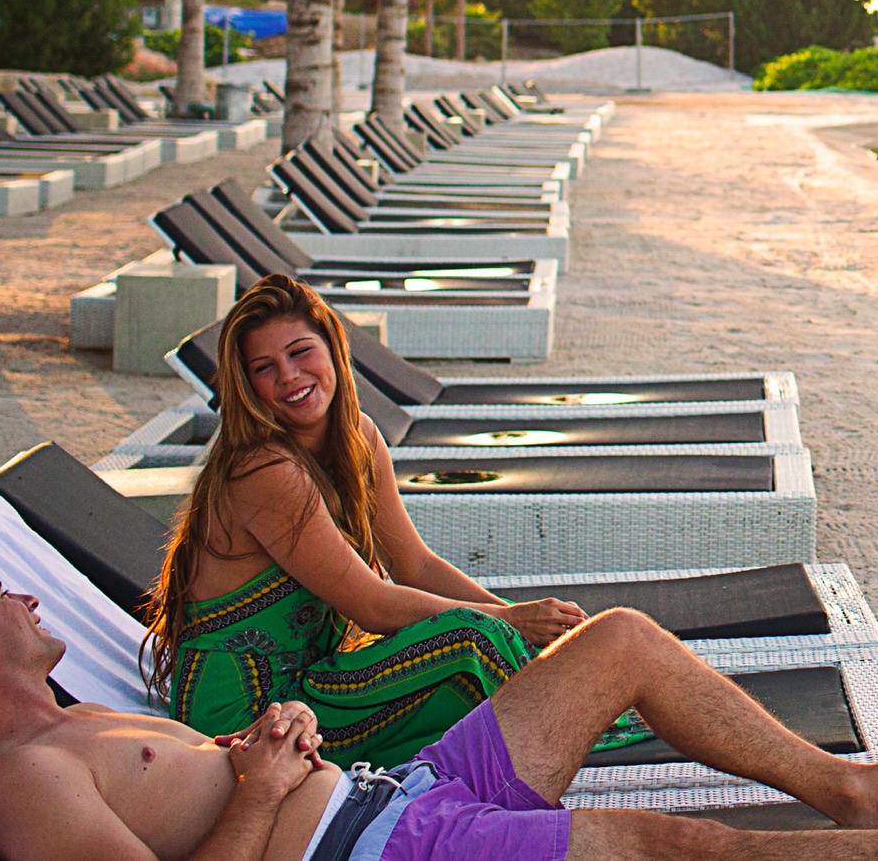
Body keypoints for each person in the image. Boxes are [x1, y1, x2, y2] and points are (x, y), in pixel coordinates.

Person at [0, 552, 878, 860]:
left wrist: (262, 743)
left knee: (619, 643)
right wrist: (269, 788)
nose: (19, 590)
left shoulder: (68, 722)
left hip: (395, 795)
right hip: (381, 844)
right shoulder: (21, 777)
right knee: (664, 842)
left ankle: (852, 788)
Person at [144, 274, 593, 767]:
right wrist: (509, 620)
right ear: (247, 387)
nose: (290, 376)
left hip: (310, 687)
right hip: (243, 717)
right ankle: (578, 726)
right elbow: (373, 605)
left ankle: (570, 720)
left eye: (300, 352)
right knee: (471, 641)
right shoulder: (262, 470)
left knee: (488, 636)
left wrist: (524, 618)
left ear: (334, 349)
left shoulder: (359, 437)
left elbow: (415, 565)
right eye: (265, 368)